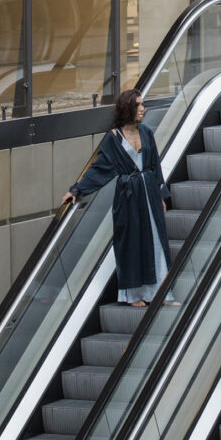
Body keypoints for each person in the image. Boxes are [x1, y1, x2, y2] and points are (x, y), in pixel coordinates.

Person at [62, 90, 173, 307]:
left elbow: (154, 166)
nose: (143, 109)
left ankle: (160, 292)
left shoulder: (147, 132)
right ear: (127, 109)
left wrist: (161, 195)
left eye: (143, 104)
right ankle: (133, 295)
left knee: (156, 240)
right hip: (128, 199)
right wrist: (76, 190)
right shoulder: (114, 139)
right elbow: (99, 169)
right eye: (138, 105)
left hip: (149, 194)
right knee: (130, 244)